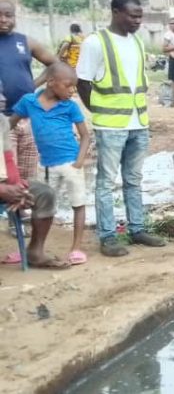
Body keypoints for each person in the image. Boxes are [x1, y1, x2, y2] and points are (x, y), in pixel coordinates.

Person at [76, 0, 167, 257]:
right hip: (111, 124)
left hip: (138, 121)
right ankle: (107, 237)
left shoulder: (137, 42)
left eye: (140, 16)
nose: (138, 21)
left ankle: (137, 229)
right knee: (106, 182)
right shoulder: (96, 43)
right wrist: (98, 111)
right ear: (116, 12)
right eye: (133, 16)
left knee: (134, 179)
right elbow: (83, 82)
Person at [9, 63, 89, 265]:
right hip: (45, 165)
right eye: (68, 85)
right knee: (42, 205)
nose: (72, 90)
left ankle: (76, 249)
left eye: (74, 86)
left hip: (70, 162)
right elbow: (8, 124)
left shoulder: (70, 106)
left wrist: (78, 162)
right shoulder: (29, 102)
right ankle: (33, 249)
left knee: (78, 204)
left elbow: (85, 136)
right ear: (51, 82)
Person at [0, 0, 58, 180]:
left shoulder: (25, 42)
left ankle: (25, 208)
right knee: (7, 178)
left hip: (28, 119)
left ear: (15, 18)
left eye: (8, 15)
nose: (3, 19)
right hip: (3, 121)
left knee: (29, 178)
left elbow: (54, 64)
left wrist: (34, 84)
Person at [0, 114, 62, 269]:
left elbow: (8, 160)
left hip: (5, 184)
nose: (2, 99)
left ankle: (35, 252)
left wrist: (18, 190)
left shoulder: (2, 121)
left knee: (44, 194)